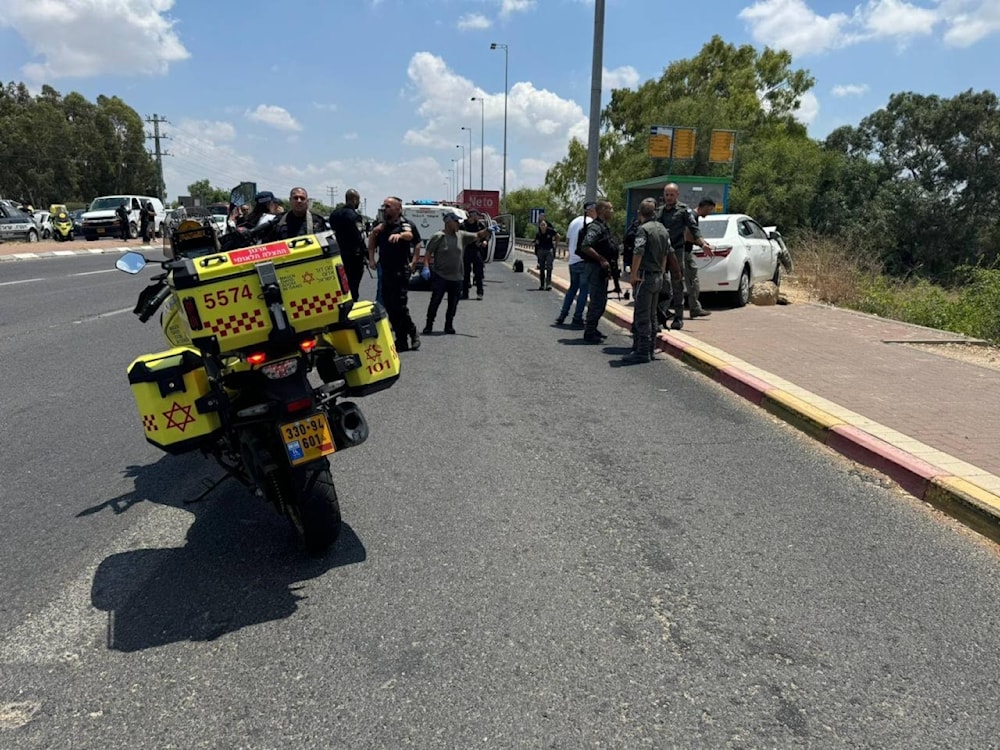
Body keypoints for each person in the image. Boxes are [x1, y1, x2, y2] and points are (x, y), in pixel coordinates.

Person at [415, 212, 492, 335]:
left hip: (456, 277)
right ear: (448, 222)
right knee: (435, 301)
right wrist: (426, 267)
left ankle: (448, 325)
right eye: (456, 221)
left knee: (453, 303)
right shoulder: (438, 236)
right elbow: (428, 253)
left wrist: (488, 230)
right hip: (440, 276)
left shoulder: (461, 236)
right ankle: (429, 324)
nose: (458, 224)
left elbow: (477, 235)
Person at [623, 199, 674, 364]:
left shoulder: (643, 230)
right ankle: (650, 349)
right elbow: (666, 254)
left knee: (642, 315)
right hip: (658, 275)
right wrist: (661, 270)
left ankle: (642, 351)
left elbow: (638, 252)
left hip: (645, 276)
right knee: (652, 315)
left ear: (640, 213)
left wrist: (634, 274)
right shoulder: (663, 230)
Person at [656, 183, 713, 330]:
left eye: (671, 195)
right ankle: (659, 315)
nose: (668, 197)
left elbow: (694, 229)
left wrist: (703, 244)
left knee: (677, 285)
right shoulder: (659, 211)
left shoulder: (683, 210)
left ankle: (678, 318)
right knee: (662, 284)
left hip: (677, 252)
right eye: (666, 194)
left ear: (677, 195)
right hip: (662, 253)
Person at [368, 196, 420, 352]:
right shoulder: (381, 226)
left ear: (398, 209)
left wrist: (401, 236)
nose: (385, 209)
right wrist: (371, 258)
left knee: (400, 306)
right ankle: (401, 340)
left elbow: (413, 239)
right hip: (386, 271)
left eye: (389, 206)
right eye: (384, 206)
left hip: (400, 271)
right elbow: (372, 242)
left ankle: (412, 331)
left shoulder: (405, 224)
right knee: (390, 307)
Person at [577, 199, 617, 343]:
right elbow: (586, 245)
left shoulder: (603, 227)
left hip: (601, 269)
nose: (612, 212)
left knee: (601, 301)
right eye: (610, 209)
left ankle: (593, 328)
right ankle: (589, 332)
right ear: (603, 211)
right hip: (595, 268)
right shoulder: (595, 228)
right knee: (597, 301)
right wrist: (601, 259)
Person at [555, 201, 596, 327]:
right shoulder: (591, 223)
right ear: (590, 210)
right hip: (584, 261)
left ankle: (563, 315)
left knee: (572, 288)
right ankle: (577, 317)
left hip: (572, 260)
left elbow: (567, 241)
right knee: (584, 290)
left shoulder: (573, 222)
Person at [681, 198, 718, 320]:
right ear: (705, 206)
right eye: (710, 210)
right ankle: (694, 308)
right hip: (684, 252)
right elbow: (686, 236)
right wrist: (702, 244)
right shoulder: (692, 216)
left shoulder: (692, 215)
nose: (709, 213)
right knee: (692, 280)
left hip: (683, 251)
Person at [328, 188, 367, 300]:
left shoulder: (334, 215)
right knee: (353, 286)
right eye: (358, 200)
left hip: (338, 254)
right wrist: (366, 254)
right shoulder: (354, 216)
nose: (358, 203)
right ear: (354, 200)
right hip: (354, 257)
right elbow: (359, 237)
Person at [460, 209, 487, 300]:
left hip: (477, 250)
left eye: (477, 215)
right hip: (466, 250)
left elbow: (486, 235)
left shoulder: (480, 225)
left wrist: (485, 241)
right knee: (465, 273)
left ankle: (480, 293)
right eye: (474, 215)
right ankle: (465, 293)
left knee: (478, 273)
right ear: (469, 215)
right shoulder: (463, 225)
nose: (476, 217)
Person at [533, 218, 559, 291]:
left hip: (549, 250)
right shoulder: (538, 234)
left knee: (549, 267)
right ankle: (542, 285)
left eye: (544, 224)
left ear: (546, 225)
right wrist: (537, 252)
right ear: (539, 226)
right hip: (541, 251)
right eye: (541, 225)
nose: (543, 226)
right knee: (541, 268)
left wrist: (555, 245)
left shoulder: (550, 231)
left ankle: (548, 284)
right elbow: (536, 243)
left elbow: (558, 236)